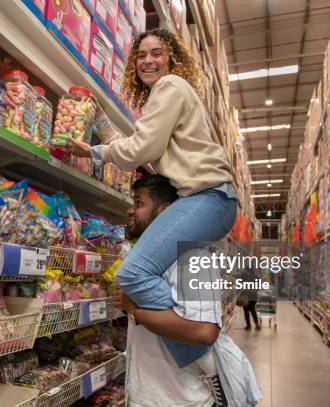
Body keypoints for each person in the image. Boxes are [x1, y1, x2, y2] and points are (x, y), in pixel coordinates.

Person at [65, 28, 237, 368]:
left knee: (131, 275)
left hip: (209, 197)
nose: (147, 60)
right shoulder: (166, 96)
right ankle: (198, 347)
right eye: (141, 55)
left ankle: (203, 352)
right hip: (208, 199)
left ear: (170, 57)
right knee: (138, 274)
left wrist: (96, 152)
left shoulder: (169, 86)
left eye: (156, 53)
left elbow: (143, 148)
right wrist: (100, 122)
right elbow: (142, 147)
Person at [114, 174, 262, 407]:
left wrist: (135, 311)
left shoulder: (193, 258)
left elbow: (204, 332)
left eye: (139, 203)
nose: (130, 211)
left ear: (165, 213)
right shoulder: (141, 261)